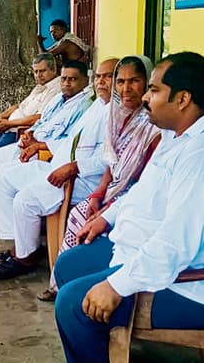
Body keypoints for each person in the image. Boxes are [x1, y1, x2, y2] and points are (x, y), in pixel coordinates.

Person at [54, 52, 204, 363]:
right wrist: (107, 218)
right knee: (68, 265)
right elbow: (143, 191)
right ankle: (105, 341)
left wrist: (115, 286)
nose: (145, 98)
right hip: (147, 252)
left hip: (191, 285)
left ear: (183, 99)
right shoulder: (178, 136)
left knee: (72, 305)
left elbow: (176, 245)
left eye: (153, 90)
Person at [37, 56, 160, 301]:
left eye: (134, 81)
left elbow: (145, 183)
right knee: (80, 213)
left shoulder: (153, 125)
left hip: (132, 199)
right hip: (112, 192)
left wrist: (109, 206)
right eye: (121, 81)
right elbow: (111, 165)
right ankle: (64, 283)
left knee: (91, 223)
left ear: (147, 84)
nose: (126, 88)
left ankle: (95, 286)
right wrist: (97, 195)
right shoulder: (117, 116)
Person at [0, 59, 111, 280]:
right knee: (4, 178)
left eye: (109, 77)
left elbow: (111, 159)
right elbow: (69, 139)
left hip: (81, 179)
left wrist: (73, 166)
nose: (102, 82)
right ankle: (19, 246)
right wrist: (36, 142)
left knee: (25, 200)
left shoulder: (113, 111)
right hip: (57, 165)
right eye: (99, 76)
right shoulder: (98, 105)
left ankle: (25, 258)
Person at [0, 60, 94, 230]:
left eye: (72, 79)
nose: (66, 83)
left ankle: (11, 225)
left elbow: (70, 139)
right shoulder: (58, 98)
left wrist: (39, 144)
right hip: (33, 141)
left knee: (6, 174)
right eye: (64, 79)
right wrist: (30, 133)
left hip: (47, 152)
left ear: (85, 81)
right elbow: (42, 120)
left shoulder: (84, 106)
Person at [0, 53, 62, 175]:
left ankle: (2, 178)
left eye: (42, 71)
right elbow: (19, 106)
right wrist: (0, 119)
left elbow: (38, 118)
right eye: (35, 72)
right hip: (8, 128)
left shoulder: (55, 89)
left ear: (53, 70)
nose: (38, 75)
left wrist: (8, 124)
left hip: (18, 132)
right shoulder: (40, 87)